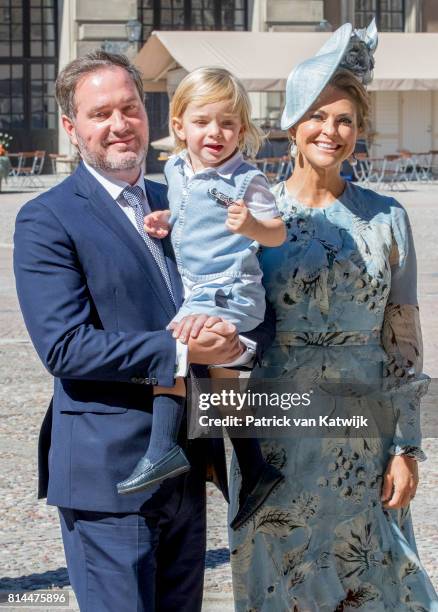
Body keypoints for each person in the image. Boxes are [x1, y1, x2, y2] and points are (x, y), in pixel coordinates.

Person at [13, 50, 275, 612]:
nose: (118, 124)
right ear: (71, 127)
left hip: (186, 469)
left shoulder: (177, 197)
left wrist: (232, 345)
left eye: (129, 108)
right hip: (108, 478)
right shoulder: (47, 218)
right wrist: (180, 346)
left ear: (149, 113)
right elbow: (64, 345)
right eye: (99, 113)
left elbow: (240, 278)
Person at [229, 21, 438, 610]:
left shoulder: (386, 216)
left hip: (363, 429)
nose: (331, 130)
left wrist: (406, 448)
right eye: (317, 116)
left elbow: (403, 339)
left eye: (344, 119)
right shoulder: (254, 212)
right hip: (274, 427)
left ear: (358, 131)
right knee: (279, 576)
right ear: (293, 125)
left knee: (375, 576)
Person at [119, 67, 285, 528]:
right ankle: (255, 469)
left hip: (230, 288)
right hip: (199, 287)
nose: (215, 132)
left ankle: (162, 447)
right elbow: (193, 212)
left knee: (170, 346)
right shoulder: (174, 168)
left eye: (228, 123)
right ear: (178, 126)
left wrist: (252, 226)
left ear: (243, 131)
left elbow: (276, 232)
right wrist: (168, 220)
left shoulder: (245, 179)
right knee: (219, 384)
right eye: (202, 121)